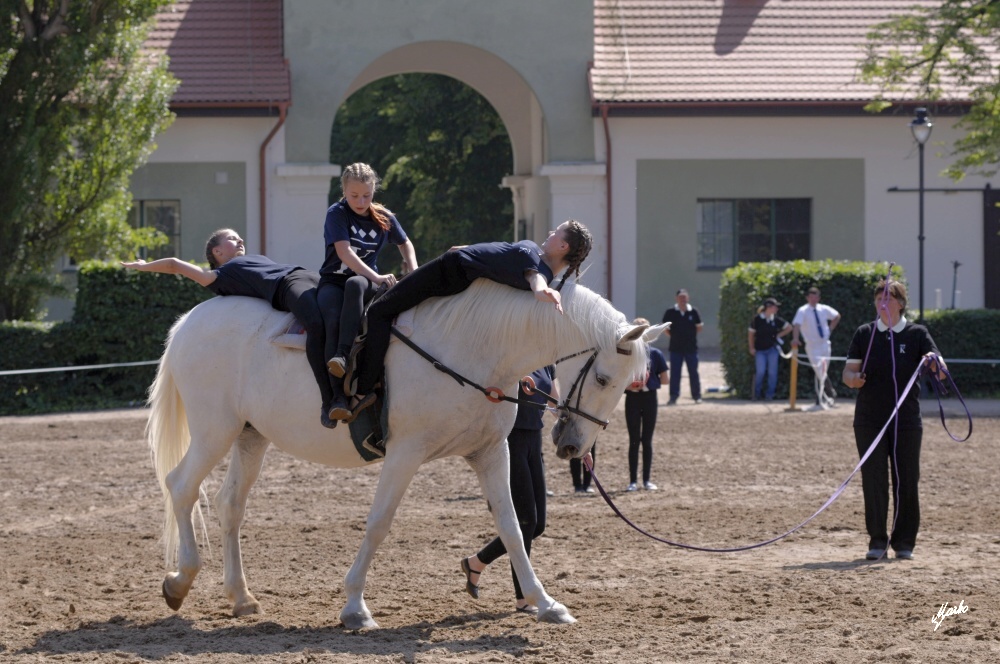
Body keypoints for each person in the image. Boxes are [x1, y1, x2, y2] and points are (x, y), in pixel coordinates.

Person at [351, 220, 594, 426]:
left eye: (556, 233)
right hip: (454, 266)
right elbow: (499, 254)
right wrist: (467, 247)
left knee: (379, 312)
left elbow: (536, 282)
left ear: (563, 246)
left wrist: (546, 293)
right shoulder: (537, 255)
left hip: (448, 271)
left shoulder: (539, 268)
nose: (550, 233)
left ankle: (364, 387)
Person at [122, 229, 338, 428]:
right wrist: (144, 266)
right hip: (288, 286)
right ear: (217, 251)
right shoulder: (219, 276)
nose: (240, 240)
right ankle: (329, 398)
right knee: (317, 325)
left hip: (308, 275)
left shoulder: (251, 260)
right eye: (233, 239)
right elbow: (174, 264)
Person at [842, 279, 947, 561]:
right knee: (874, 480)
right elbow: (847, 374)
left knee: (906, 479)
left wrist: (935, 364)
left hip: (907, 420)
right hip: (869, 420)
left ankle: (904, 542)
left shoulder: (917, 333)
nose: (882, 304)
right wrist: (855, 380)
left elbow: (939, 370)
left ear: (900, 303)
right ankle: (877, 540)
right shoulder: (865, 333)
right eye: (878, 299)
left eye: (887, 299)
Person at [317, 163, 418, 422]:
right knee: (329, 320)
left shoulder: (383, 216)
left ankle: (350, 362)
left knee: (357, 284)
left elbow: (405, 242)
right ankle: (336, 398)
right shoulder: (337, 214)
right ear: (344, 191)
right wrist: (376, 275)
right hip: (333, 282)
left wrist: (413, 269)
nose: (361, 201)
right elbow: (344, 252)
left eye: (367, 195)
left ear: (374, 191)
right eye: (354, 196)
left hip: (365, 284)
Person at [460, 365, 557, 614]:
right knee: (525, 521)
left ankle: (477, 562)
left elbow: (555, 402)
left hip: (534, 441)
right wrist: (512, 379)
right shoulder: (513, 356)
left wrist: (583, 444)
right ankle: (523, 597)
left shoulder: (547, 363)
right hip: (507, 441)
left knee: (538, 525)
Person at [624, 317, 668, 492]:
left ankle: (646, 480)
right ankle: (633, 480)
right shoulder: (626, 354)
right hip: (632, 399)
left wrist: (648, 381)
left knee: (647, 440)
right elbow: (619, 380)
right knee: (634, 440)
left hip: (649, 398)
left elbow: (665, 380)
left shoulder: (655, 354)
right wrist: (631, 384)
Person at [791, 287, 842, 409]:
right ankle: (829, 394)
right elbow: (796, 325)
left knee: (823, 370)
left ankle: (824, 397)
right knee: (819, 370)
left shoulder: (823, 308)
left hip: (824, 343)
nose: (813, 299)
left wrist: (830, 329)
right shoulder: (802, 310)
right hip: (812, 345)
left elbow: (836, 316)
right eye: (811, 297)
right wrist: (795, 338)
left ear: (819, 298)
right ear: (807, 298)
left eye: (815, 297)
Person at [660, 289, 703, 405]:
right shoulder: (670, 312)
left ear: (688, 298)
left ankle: (697, 396)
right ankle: (673, 397)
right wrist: (674, 336)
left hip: (691, 348)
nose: (683, 299)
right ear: (676, 298)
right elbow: (665, 328)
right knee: (675, 373)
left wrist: (689, 337)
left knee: (693, 372)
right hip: (675, 348)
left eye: (684, 297)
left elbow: (699, 327)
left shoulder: (693, 311)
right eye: (680, 297)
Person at [748, 297, 792, 401]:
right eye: (775, 306)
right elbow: (750, 334)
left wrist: (778, 335)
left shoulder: (776, 319)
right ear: (768, 307)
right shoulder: (757, 320)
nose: (777, 309)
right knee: (761, 372)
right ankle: (756, 394)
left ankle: (769, 395)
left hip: (773, 349)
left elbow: (789, 327)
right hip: (760, 350)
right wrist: (751, 348)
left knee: (772, 373)